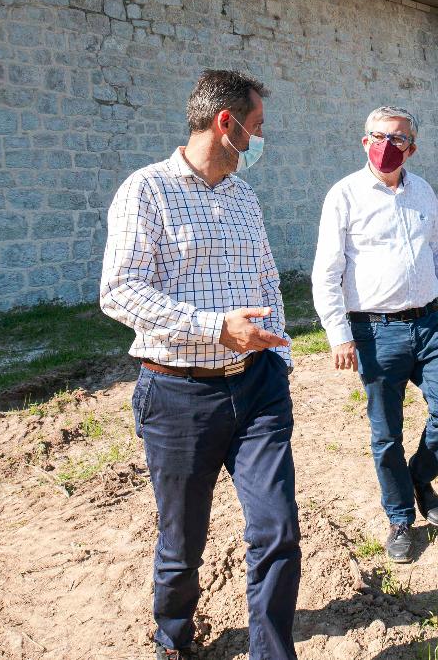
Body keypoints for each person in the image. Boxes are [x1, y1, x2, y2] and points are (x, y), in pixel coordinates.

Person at [100, 70, 300, 660]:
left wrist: (278, 352)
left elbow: (269, 279)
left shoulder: (243, 197)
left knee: (277, 530)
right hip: (179, 397)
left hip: (258, 390)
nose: (261, 140)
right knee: (181, 543)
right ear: (226, 123)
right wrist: (215, 327)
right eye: (257, 127)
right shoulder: (146, 191)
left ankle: (272, 652)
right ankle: (174, 638)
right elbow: (120, 291)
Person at [311, 106, 438, 564]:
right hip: (374, 332)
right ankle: (400, 518)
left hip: (427, 323)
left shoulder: (422, 192)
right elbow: (327, 272)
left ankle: (420, 477)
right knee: (386, 435)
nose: (386, 145)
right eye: (378, 136)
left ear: (412, 148)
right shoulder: (343, 196)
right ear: (364, 142)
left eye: (397, 139)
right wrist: (339, 334)